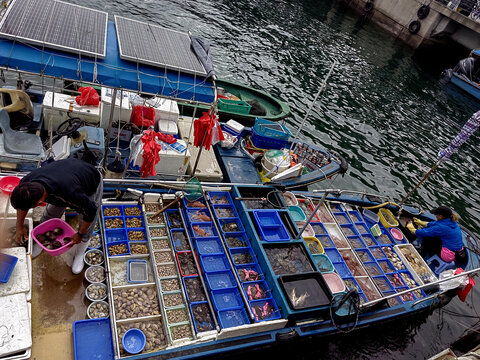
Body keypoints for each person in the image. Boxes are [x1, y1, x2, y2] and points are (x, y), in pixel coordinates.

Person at [10, 158, 103, 274]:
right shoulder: (26, 184)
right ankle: (41, 242)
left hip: (90, 181)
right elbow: (22, 206)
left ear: (40, 203)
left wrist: (80, 234)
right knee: (49, 216)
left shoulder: (70, 193)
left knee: (86, 225)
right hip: (66, 173)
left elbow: (90, 212)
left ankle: (79, 254)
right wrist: (19, 226)